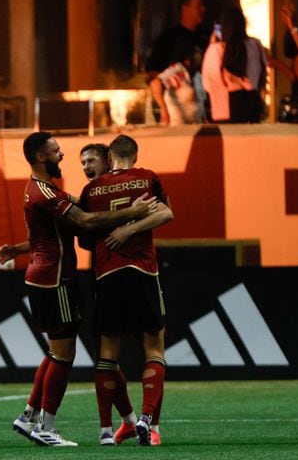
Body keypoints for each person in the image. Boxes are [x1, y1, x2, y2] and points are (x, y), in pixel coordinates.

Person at [3, 131, 157, 447]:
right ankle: (46, 427)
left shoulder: (40, 190)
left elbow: (45, 235)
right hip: (54, 279)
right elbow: (85, 222)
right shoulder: (46, 194)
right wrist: (134, 213)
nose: (64, 156)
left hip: (45, 275)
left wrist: (17, 249)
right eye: (57, 151)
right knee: (64, 355)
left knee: (56, 350)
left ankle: (30, 414)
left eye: (89, 160)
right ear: (42, 157)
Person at [79, 134, 173, 447]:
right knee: (154, 349)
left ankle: (106, 431)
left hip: (107, 275)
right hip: (143, 272)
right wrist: (134, 226)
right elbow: (166, 213)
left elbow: (86, 233)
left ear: (110, 157)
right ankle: (150, 423)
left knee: (107, 355)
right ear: (135, 155)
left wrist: (119, 229)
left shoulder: (91, 190)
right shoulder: (147, 179)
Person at [146, 0, 207, 125]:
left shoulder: (203, 39)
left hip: (196, 111)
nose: (203, 10)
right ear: (185, 8)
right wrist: (163, 107)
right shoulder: (168, 38)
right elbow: (153, 75)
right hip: (174, 112)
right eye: (198, 6)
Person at [202, 7, 267, 123]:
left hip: (223, 108)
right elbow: (261, 76)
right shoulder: (255, 45)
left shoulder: (216, 50)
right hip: (251, 105)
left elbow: (208, 84)